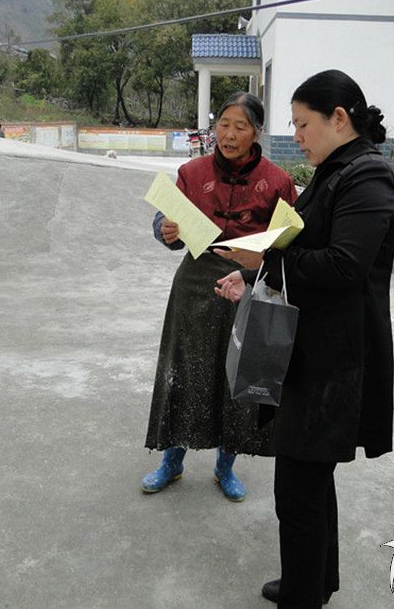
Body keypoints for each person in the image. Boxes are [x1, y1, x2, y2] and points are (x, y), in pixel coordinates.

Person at [215, 70, 394, 606]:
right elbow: (297, 243)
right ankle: (315, 583)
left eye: (302, 124)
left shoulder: (367, 179)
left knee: (298, 490)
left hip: (335, 361)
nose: (295, 135)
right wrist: (251, 272)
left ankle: (303, 595)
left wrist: (268, 260)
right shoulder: (335, 171)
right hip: (313, 349)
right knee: (312, 483)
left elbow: (344, 266)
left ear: (337, 119)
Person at [143, 92, 296, 502]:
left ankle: (225, 467)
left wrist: (263, 264)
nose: (228, 134)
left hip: (247, 282)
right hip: (194, 282)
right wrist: (165, 230)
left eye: (239, 127)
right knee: (183, 370)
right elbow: (164, 220)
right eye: (223, 125)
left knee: (238, 375)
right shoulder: (191, 173)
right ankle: (172, 461)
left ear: (256, 132)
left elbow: (289, 239)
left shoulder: (278, 182)